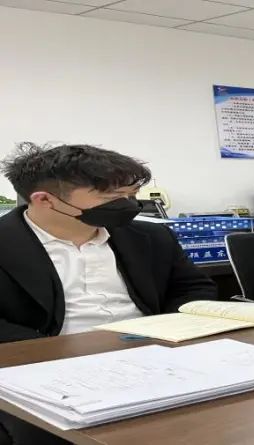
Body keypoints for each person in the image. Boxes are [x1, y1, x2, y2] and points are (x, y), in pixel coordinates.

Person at [0, 143, 216, 444]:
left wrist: (167, 332)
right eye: (111, 198)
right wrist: (60, 352)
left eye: (131, 194)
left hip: (154, 359)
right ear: (45, 200)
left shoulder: (150, 236)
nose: (128, 205)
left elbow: (193, 287)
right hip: (47, 370)